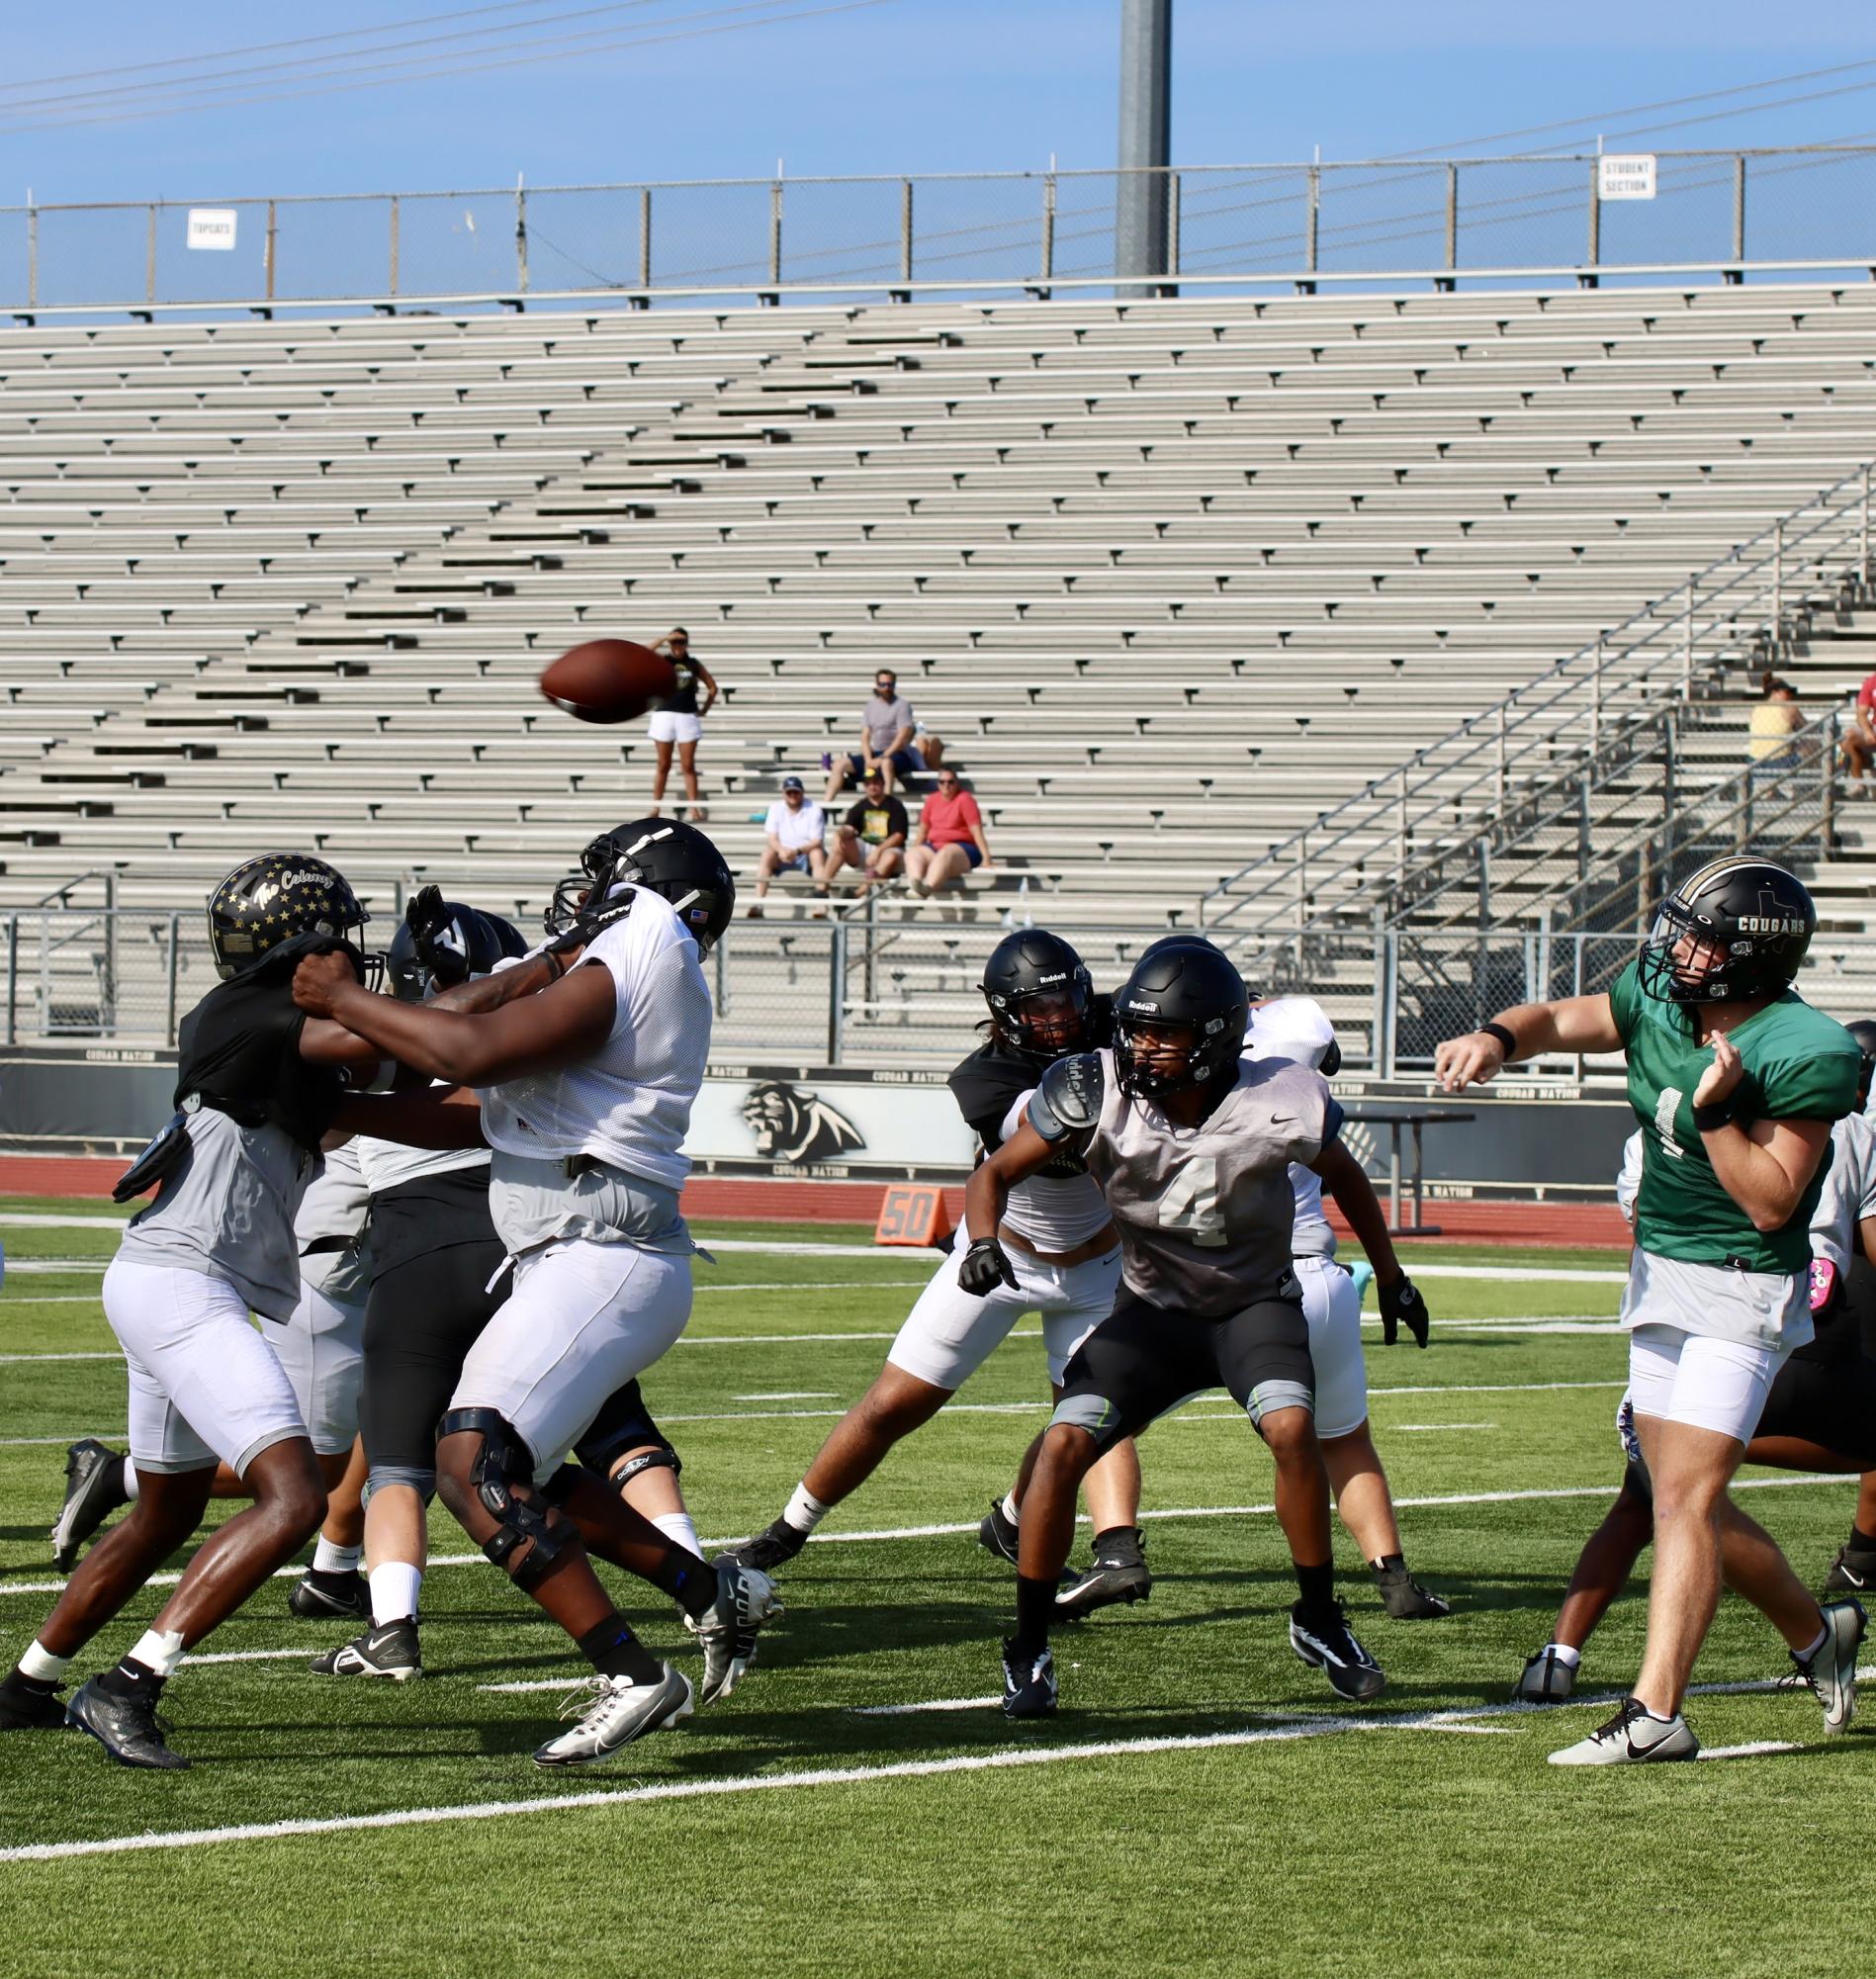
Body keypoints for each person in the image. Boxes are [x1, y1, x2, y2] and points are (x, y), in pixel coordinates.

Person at [285, 821, 780, 1767]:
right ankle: (708, 1591)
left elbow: (472, 1052)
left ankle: (633, 1674)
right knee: (529, 1472)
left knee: (474, 1464)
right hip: (571, 1249)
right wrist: (346, 1110)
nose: (582, 889)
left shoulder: (642, 936)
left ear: (642, 887)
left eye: (602, 875)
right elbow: (482, 1104)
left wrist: (343, 997)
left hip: (604, 1249)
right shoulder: (631, 958)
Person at [1437, 855, 1866, 1764]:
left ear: (1753, 956)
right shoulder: (1661, 997)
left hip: (1741, 1278)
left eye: (1702, 937)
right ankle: (1816, 1632)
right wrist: (1498, 1038)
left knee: (1684, 1493)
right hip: (1659, 1270)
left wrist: (1716, 1119)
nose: (1678, 947)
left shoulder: (1804, 1047)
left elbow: (1773, 1200)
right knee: (1663, 1487)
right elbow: (1558, 1017)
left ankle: (1656, 1711)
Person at [0, 854, 384, 1766]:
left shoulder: (264, 1029)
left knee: (164, 1512)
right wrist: (516, 988)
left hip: (168, 1278)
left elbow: (381, 1099)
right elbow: (378, 1043)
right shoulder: (251, 1014)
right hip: (184, 1282)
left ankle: (26, 1684)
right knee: (295, 1498)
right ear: (309, 949)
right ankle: (130, 1683)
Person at [963, 938, 1405, 1718]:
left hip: (1249, 1309)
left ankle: (1319, 1617)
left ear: (1214, 1038)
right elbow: (993, 1171)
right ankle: (1027, 1643)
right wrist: (979, 1240)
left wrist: (1393, 1276)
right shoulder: (1092, 1088)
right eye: (1134, 1029)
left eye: (1161, 1033)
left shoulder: (1283, 1094)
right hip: (1152, 1316)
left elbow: (1347, 1177)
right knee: (1062, 1445)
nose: (1140, 1046)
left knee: (1293, 1429)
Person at [311, 891, 711, 1685]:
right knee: (598, 1434)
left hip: (439, 1257)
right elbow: (466, 1070)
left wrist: (330, 1036)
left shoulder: (428, 1033)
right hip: (523, 1254)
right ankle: (695, 1577)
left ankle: (389, 1617)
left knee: (408, 1458)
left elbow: (431, 1074)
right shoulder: (533, 1018)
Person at [731, 931, 1140, 1580]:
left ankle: (1116, 1548)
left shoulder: (1117, 1027)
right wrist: (978, 1242)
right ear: (1006, 1014)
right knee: (895, 1402)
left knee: (1093, 1413)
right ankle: (789, 1528)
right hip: (1003, 1255)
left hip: (1096, 1268)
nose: (1057, 1019)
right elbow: (1019, 1144)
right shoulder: (985, 1076)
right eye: (1038, 1009)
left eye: (1065, 1001)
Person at [1519, 1024, 1876, 1701]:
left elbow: (1679, 1221)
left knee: (1664, 1486)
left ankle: (1579, 1664)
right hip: (1804, 1327)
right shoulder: (1850, 1126)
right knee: (1670, 1488)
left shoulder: (1667, 1118)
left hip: (1734, 1324)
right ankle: (1822, 1617)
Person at [48, 1140, 375, 1623]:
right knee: (309, 1475)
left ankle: (334, 1572)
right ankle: (138, 1665)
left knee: (391, 1423)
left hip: (353, 1261)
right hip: (328, 1265)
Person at [823, 668, 941, 801]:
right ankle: (826, 806)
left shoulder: (902, 705)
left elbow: (902, 737)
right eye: (882, 684)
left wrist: (884, 756)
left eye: (889, 684)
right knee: (840, 764)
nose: (886, 688)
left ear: (894, 685)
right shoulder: (870, 706)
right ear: (877, 685)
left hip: (899, 754)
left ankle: (886, 804)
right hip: (877, 753)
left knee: (886, 764)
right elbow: (865, 735)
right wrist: (868, 759)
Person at [646, 627, 718, 823]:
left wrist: (704, 709)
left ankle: (693, 808)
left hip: (687, 715)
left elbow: (712, 687)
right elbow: (645, 654)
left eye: (681, 642)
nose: (678, 646)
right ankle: (656, 806)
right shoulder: (663, 661)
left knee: (688, 765)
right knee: (663, 764)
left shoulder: (692, 663)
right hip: (664, 713)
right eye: (674, 642)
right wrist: (664, 638)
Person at [749, 775, 830, 918]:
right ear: (784, 793)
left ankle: (821, 904)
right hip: (782, 852)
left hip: (805, 853)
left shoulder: (814, 808)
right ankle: (759, 903)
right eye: (789, 792)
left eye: (796, 792)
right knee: (767, 854)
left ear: (802, 792)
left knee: (817, 854)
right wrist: (782, 851)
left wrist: (796, 851)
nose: (793, 795)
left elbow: (817, 841)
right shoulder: (775, 808)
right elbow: (772, 838)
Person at [824, 767, 910, 897]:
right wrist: (840, 834)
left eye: (876, 782)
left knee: (890, 856)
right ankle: (822, 887)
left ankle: (858, 893)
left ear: (882, 783)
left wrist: (878, 851)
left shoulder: (895, 805)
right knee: (839, 843)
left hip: (889, 849)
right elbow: (849, 828)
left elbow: (899, 836)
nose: (872, 786)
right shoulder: (860, 806)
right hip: (865, 850)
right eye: (868, 783)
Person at [905, 768, 992, 895]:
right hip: (935, 846)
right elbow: (922, 831)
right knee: (913, 854)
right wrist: (915, 851)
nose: (946, 785)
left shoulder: (965, 799)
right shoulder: (932, 800)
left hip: (964, 848)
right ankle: (916, 885)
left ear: (957, 783)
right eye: (942, 782)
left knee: (946, 852)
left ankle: (926, 888)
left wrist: (986, 858)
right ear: (937, 784)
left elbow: (976, 831)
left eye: (950, 782)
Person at [1747, 675, 1806, 767]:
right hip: (1779, 760)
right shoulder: (1789, 708)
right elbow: (1807, 729)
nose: (1790, 696)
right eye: (1786, 693)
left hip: (1754, 759)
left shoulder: (1756, 708)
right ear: (1775, 693)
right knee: (1811, 745)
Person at [1841, 670, 1876, 795]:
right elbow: (1861, 713)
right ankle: (1858, 782)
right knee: (1847, 740)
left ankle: (1866, 761)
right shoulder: (1872, 682)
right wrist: (1867, 731)